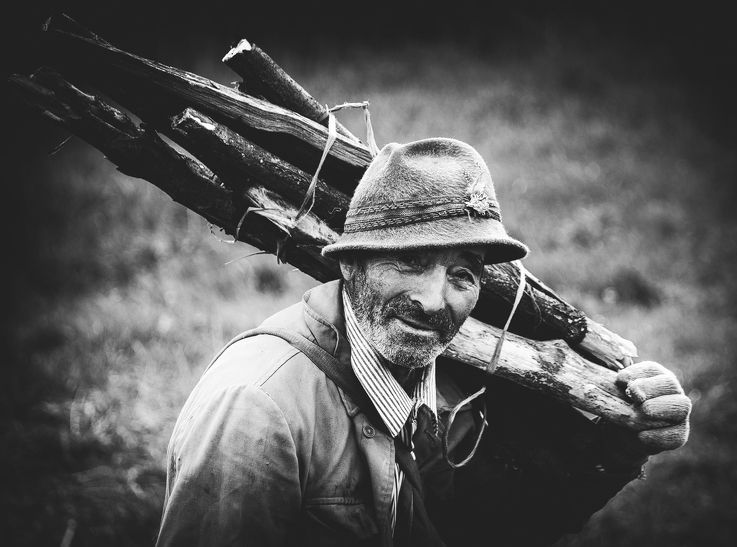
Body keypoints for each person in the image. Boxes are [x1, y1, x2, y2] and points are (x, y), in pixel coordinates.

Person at [156, 138, 691, 546]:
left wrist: (622, 439)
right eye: (411, 260)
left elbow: (504, 528)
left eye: (462, 273)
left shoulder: (451, 390)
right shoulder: (256, 409)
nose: (435, 301)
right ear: (351, 264)